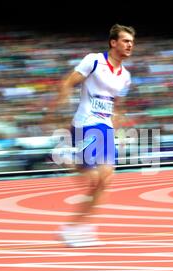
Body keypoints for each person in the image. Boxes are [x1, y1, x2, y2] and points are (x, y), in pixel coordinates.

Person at [51, 24, 135, 247]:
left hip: (105, 127)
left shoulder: (125, 76)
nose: (129, 45)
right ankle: (74, 227)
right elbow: (69, 81)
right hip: (86, 123)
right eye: (125, 41)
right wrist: (61, 101)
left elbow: (117, 105)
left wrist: (119, 130)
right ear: (113, 42)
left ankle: (77, 227)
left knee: (104, 181)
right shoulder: (94, 60)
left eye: (132, 42)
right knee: (97, 179)